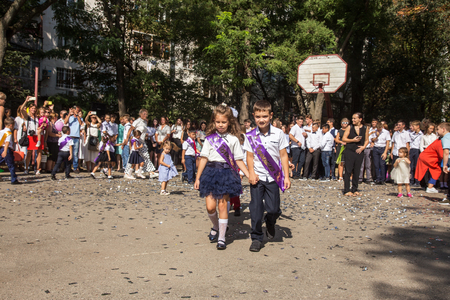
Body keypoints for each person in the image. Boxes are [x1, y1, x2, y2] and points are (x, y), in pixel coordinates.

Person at [195, 104, 249, 250]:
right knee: (210, 207)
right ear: (214, 122)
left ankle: (221, 238)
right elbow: (203, 158)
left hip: (226, 174)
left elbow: (239, 160)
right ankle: (216, 225)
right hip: (210, 173)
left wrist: (249, 174)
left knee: (223, 205)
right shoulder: (209, 139)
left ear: (229, 122)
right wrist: (198, 177)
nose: (220, 125)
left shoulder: (234, 140)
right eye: (218, 122)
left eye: (223, 122)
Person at [244, 100, 290, 252]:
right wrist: (251, 172)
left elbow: (283, 156)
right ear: (253, 116)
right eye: (258, 116)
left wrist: (287, 177)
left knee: (273, 209)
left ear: (271, 116)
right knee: (256, 210)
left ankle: (270, 221)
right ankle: (256, 237)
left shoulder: (279, 134)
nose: (261, 120)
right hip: (257, 178)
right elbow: (249, 157)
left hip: (273, 178)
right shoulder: (250, 135)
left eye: (264, 116)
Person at [123, 109, 156, 179]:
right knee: (132, 157)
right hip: (136, 141)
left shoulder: (145, 122)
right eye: (144, 114)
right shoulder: (137, 121)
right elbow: (131, 129)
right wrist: (126, 138)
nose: (145, 115)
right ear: (140, 114)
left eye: (146, 114)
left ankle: (150, 172)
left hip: (142, 141)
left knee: (146, 156)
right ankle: (127, 173)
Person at [342, 113, 369, 196]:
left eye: (355, 118)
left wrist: (363, 147)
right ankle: (347, 189)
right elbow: (344, 138)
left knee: (357, 170)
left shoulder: (365, 128)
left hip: (359, 151)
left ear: (360, 119)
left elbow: (367, 140)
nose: (353, 120)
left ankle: (355, 188)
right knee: (348, 170)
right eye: (352, 118)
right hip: (350, 151)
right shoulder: (350, 127)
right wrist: (353, 140)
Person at [21, 97, 44, 175]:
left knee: (39, 152)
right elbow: (21, 109)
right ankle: (26, 168)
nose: (33, 110)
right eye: (32, 108)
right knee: (29, 152)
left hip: (38, 136)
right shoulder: (27, 116)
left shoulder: (38, 117)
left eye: (34, 108)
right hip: (30, 136)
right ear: (29, 109)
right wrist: (26, 101)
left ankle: (38, 168)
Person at [0, 117, 21, 184]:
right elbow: (7, 142)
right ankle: (14, 179)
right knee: (11, 165)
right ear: (11, 125)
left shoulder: (1, 131)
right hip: (7, 149)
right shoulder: (8, 132)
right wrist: (5, 151)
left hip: (0, 148)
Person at [64, 106, 83, 173]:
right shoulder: (70, 117)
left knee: (75, 153)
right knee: (68, 153)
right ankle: (67, 167)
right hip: (70, 136)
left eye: (78, 110)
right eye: (76, 110)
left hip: (76, 137)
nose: (77, 111)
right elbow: (65, 122)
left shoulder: (79, 118)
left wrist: (77, 115)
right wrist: (69, 114)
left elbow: (81, 123)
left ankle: (75, 167)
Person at [360, 119, 377, 183]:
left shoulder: (372, 134)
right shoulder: (363, 133)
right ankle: (360, 178)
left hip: (368, 149)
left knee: (368, 165)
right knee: (361, 165)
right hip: (362, 148)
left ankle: (368, 178)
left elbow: (372, 140)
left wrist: (372, 142)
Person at [409, 120, 423, 186]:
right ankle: (411, 180)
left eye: (414, 126)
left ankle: (417, 181)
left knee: (416, 166)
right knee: (411, 166)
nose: (412, 127)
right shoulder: (411, 134)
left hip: (417, 150)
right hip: (411, 150)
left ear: (418, 126)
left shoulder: (421, 135)